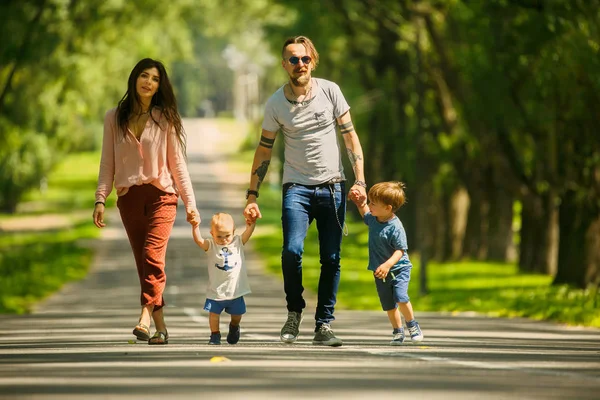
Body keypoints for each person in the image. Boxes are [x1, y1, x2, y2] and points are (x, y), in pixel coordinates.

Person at [243, 36, 367, 347]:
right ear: (284, 64)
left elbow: (350, 138)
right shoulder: (275, 104)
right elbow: (264, 151)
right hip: (296, 187)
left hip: (332, 186)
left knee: (332, 258)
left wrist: (360, 180)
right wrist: (252, 195)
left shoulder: (330, 91)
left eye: (305, 58)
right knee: (291, 252)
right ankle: (294, 311)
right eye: (294, 59)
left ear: (313, 60)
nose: (301, 64)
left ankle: (324, 324)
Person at [93, 58, 199, 345]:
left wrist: (190, 205)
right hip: (129, 200)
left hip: (162, 197)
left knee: (153, 256)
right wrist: (100, 198)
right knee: (145, 264)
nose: (148, 82)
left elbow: (178, 166)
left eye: (154, 78)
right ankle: (161, 328)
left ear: (159, 86)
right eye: (144, 75)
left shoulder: (165, 118)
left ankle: (143, 316)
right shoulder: (114, 117)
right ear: (134, 78)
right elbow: (107, 163)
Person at [349, 181, 424, 345]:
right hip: (380, 271)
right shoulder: (374, 218)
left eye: (373, 204)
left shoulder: (395, 226)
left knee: (401, 297)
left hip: (399, 269)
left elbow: (400, 251)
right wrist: (360, 203)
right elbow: (364, 213)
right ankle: (398, 331)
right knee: (389, 304)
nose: (370, 206)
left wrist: (387, 264)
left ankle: (412, 325)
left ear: (388, 208)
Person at [192, 213, 255, 345]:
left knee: (237, 315)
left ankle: (234, 327)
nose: (223, 239)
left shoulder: (238, 242)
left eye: (227, 235)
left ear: (233, 232)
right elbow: (199, 241)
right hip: (216, 291)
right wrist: (195, 226)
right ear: (212, 233)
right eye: (219, 236)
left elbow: (247, 234)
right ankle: (215, 335)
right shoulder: (211, 246)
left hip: (235, 291)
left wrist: (252, 224)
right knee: (213, 314)